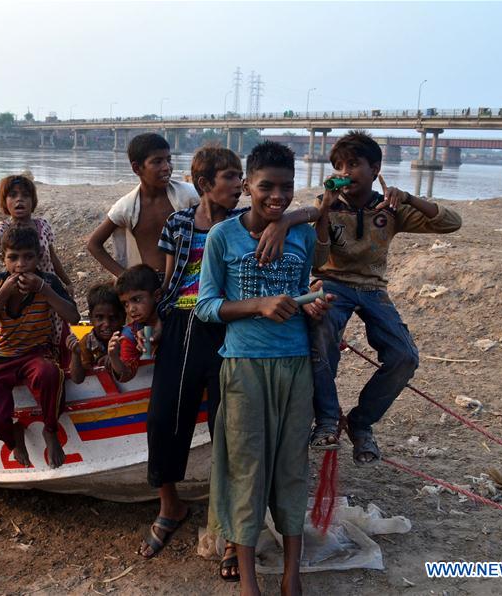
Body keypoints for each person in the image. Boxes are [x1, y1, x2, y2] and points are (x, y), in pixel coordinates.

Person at [138, 145, 320, 564]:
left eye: (241, 178)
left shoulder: (254, 222)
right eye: (231, 178)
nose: (238, 186)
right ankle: (172, 508)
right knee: (167, 416)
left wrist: (288, 219)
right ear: (205, 185)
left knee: (237, 439)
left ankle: (234, 540)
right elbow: (174, 281)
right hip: (192, 323)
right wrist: (154, 316)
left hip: (246, 337)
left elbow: (315, 216)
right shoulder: (185, 223)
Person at [195, 141, 331, 595]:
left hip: (295, 367)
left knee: (292, 466)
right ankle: (249, 581)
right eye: (266, 187)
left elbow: (302, 287)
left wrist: (312, 304)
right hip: (244, 367)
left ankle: (292, 576)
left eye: (286, 188)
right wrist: (258, 305)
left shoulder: (302, 235)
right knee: (247, 469)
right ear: (246, 185)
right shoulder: (223, 237)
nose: (277, 196)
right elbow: (207, 307)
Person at [309, 130, 462, 466]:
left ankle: (361, 423)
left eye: (353, 165)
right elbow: (318, 262)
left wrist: (407, 197)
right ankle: (327, 420)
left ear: (375, 168)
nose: (344, 173)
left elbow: (452, 223)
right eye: (339, 167)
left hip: (373, 289)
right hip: (332, 283)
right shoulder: (329, 207)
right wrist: (322, 213)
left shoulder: (388, 209)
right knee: (320, 338)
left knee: (404, 357)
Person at [0, 226, 81, 469]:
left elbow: (73, 317)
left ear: (38, 256)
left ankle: (50, 430)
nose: (20, 264)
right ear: (3, 259)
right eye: (13, 258)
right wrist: (2, 294)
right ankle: (14, 439)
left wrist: (43, 289)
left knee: (50, 373)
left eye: (28, 257)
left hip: (35, 353)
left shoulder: (49, 281)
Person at [0, 174, 74, 364]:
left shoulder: (43, 225)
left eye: (25, 195)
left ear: (33, 200)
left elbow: (52, 256)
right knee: (27, 325)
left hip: (46, 285)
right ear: (5, 202)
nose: (19, 199)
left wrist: (67, 282)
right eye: (13, 195)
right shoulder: (5, 227)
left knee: (55, 325)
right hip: (20, 288)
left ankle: (54, 362)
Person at [87, 133, 200, 278]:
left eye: (169, 160)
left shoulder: (189, 196)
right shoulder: (126, 207)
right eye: (157, 161)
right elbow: (94, 244)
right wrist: (125, 277)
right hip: (148, 286)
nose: (167, 167)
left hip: (187, 278)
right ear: (137, 168)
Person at [106, 265, 162, 383]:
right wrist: (114, 357)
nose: (131, 309)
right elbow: (127, 374)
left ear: (157, 296)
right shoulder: (130, 334)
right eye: (125, 304)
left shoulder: (175, 319)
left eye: (136, 300)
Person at [67, 283, 124, 384]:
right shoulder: (86, 340)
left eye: (113, 318)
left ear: (122, 318)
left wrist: (115, 358)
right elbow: (77, 379)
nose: (106, 324)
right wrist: (75, 353)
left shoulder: (127, 336)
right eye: (99, 317)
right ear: (90, 318)